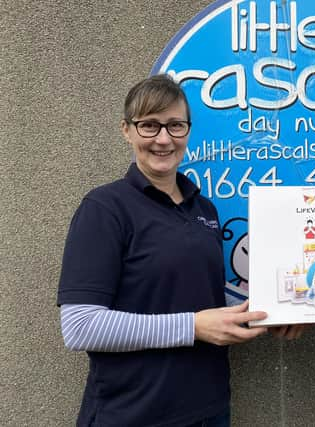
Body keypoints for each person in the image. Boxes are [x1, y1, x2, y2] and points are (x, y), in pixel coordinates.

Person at [57, 74, 272, 427]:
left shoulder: (205, 211)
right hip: (135, 414)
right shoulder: (105, 208)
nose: (163, 139)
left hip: (210, 409)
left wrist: (271, 313)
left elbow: (200, 301)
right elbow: (80, 326)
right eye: (149, 126)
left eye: (175, 125)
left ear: (187, 131)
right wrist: (193, 327)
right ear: (126, 130)